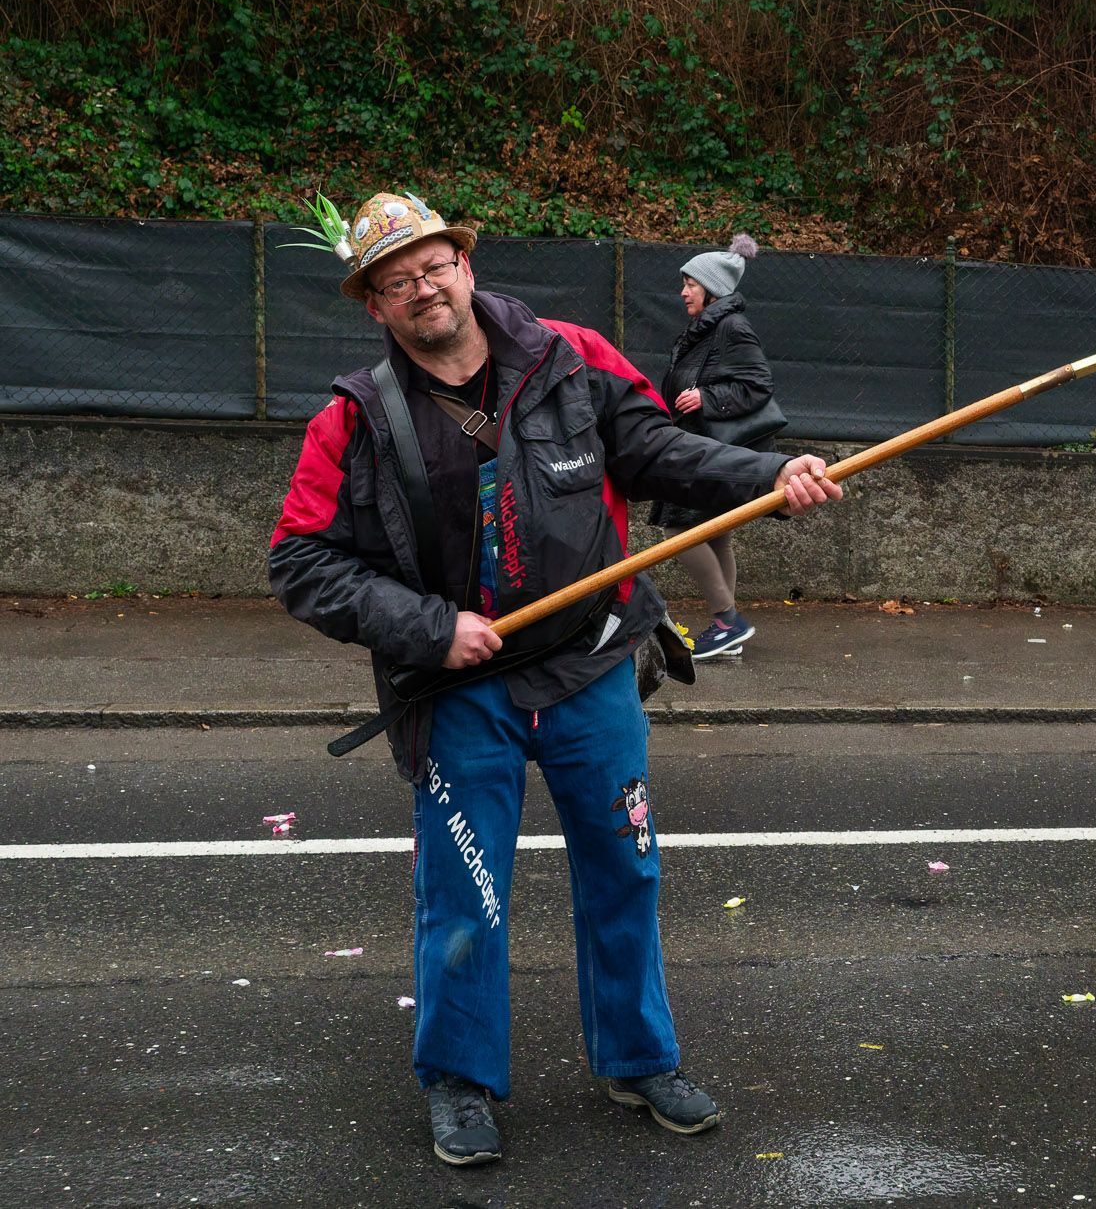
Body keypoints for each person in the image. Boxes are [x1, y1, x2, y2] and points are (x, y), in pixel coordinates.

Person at [267, 191, 842, 1168]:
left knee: (625, 864)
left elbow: (657, 447)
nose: (422, 288)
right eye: (395, 281)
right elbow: (299, 559)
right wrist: (426, 627)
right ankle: (457, 1081)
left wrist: (768, 480)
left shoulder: (569, 355)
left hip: (595, 662)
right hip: (456, 691)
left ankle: (638, 1057)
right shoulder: (354, 418)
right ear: (374, 305)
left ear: (464, 262)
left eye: (433, 264)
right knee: (465, 886)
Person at [650, 233, 778, 659]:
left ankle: (727, 619)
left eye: (690, 284)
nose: (683, 291)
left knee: (678, 529)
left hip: (706, 450)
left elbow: (757, 385)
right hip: (700, 446)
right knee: (716, 534)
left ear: (712, 288)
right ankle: (728, 627)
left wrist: (707, 398)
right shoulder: (708, 328)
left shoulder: (730, 326)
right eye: (684, 283)